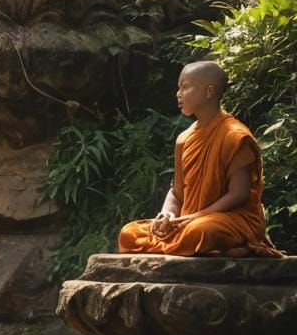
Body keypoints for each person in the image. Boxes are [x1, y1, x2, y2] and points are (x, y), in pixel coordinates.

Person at [117, 63, 278, 256]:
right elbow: (177, 193)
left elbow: (239, 194)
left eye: (185, 87)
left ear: (209, 91)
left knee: (200, 231)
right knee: (129, 233)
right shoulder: (184, 138)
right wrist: (167, 214)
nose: (178, 93)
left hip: (231, 219)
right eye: (179, 88)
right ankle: (215, 249)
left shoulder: (235, 136)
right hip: (187, 221)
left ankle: (227, 245)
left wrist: (196, 216)